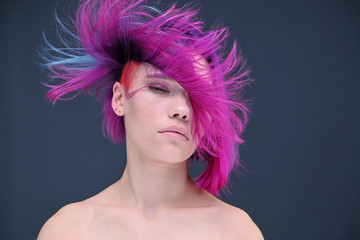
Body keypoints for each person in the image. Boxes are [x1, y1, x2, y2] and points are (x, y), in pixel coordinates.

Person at [37, 0, 264, 239]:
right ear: (119, 99)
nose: (182, 110)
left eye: (199, 98)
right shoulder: (68, 230)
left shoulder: (235, 231)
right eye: (159, 88)